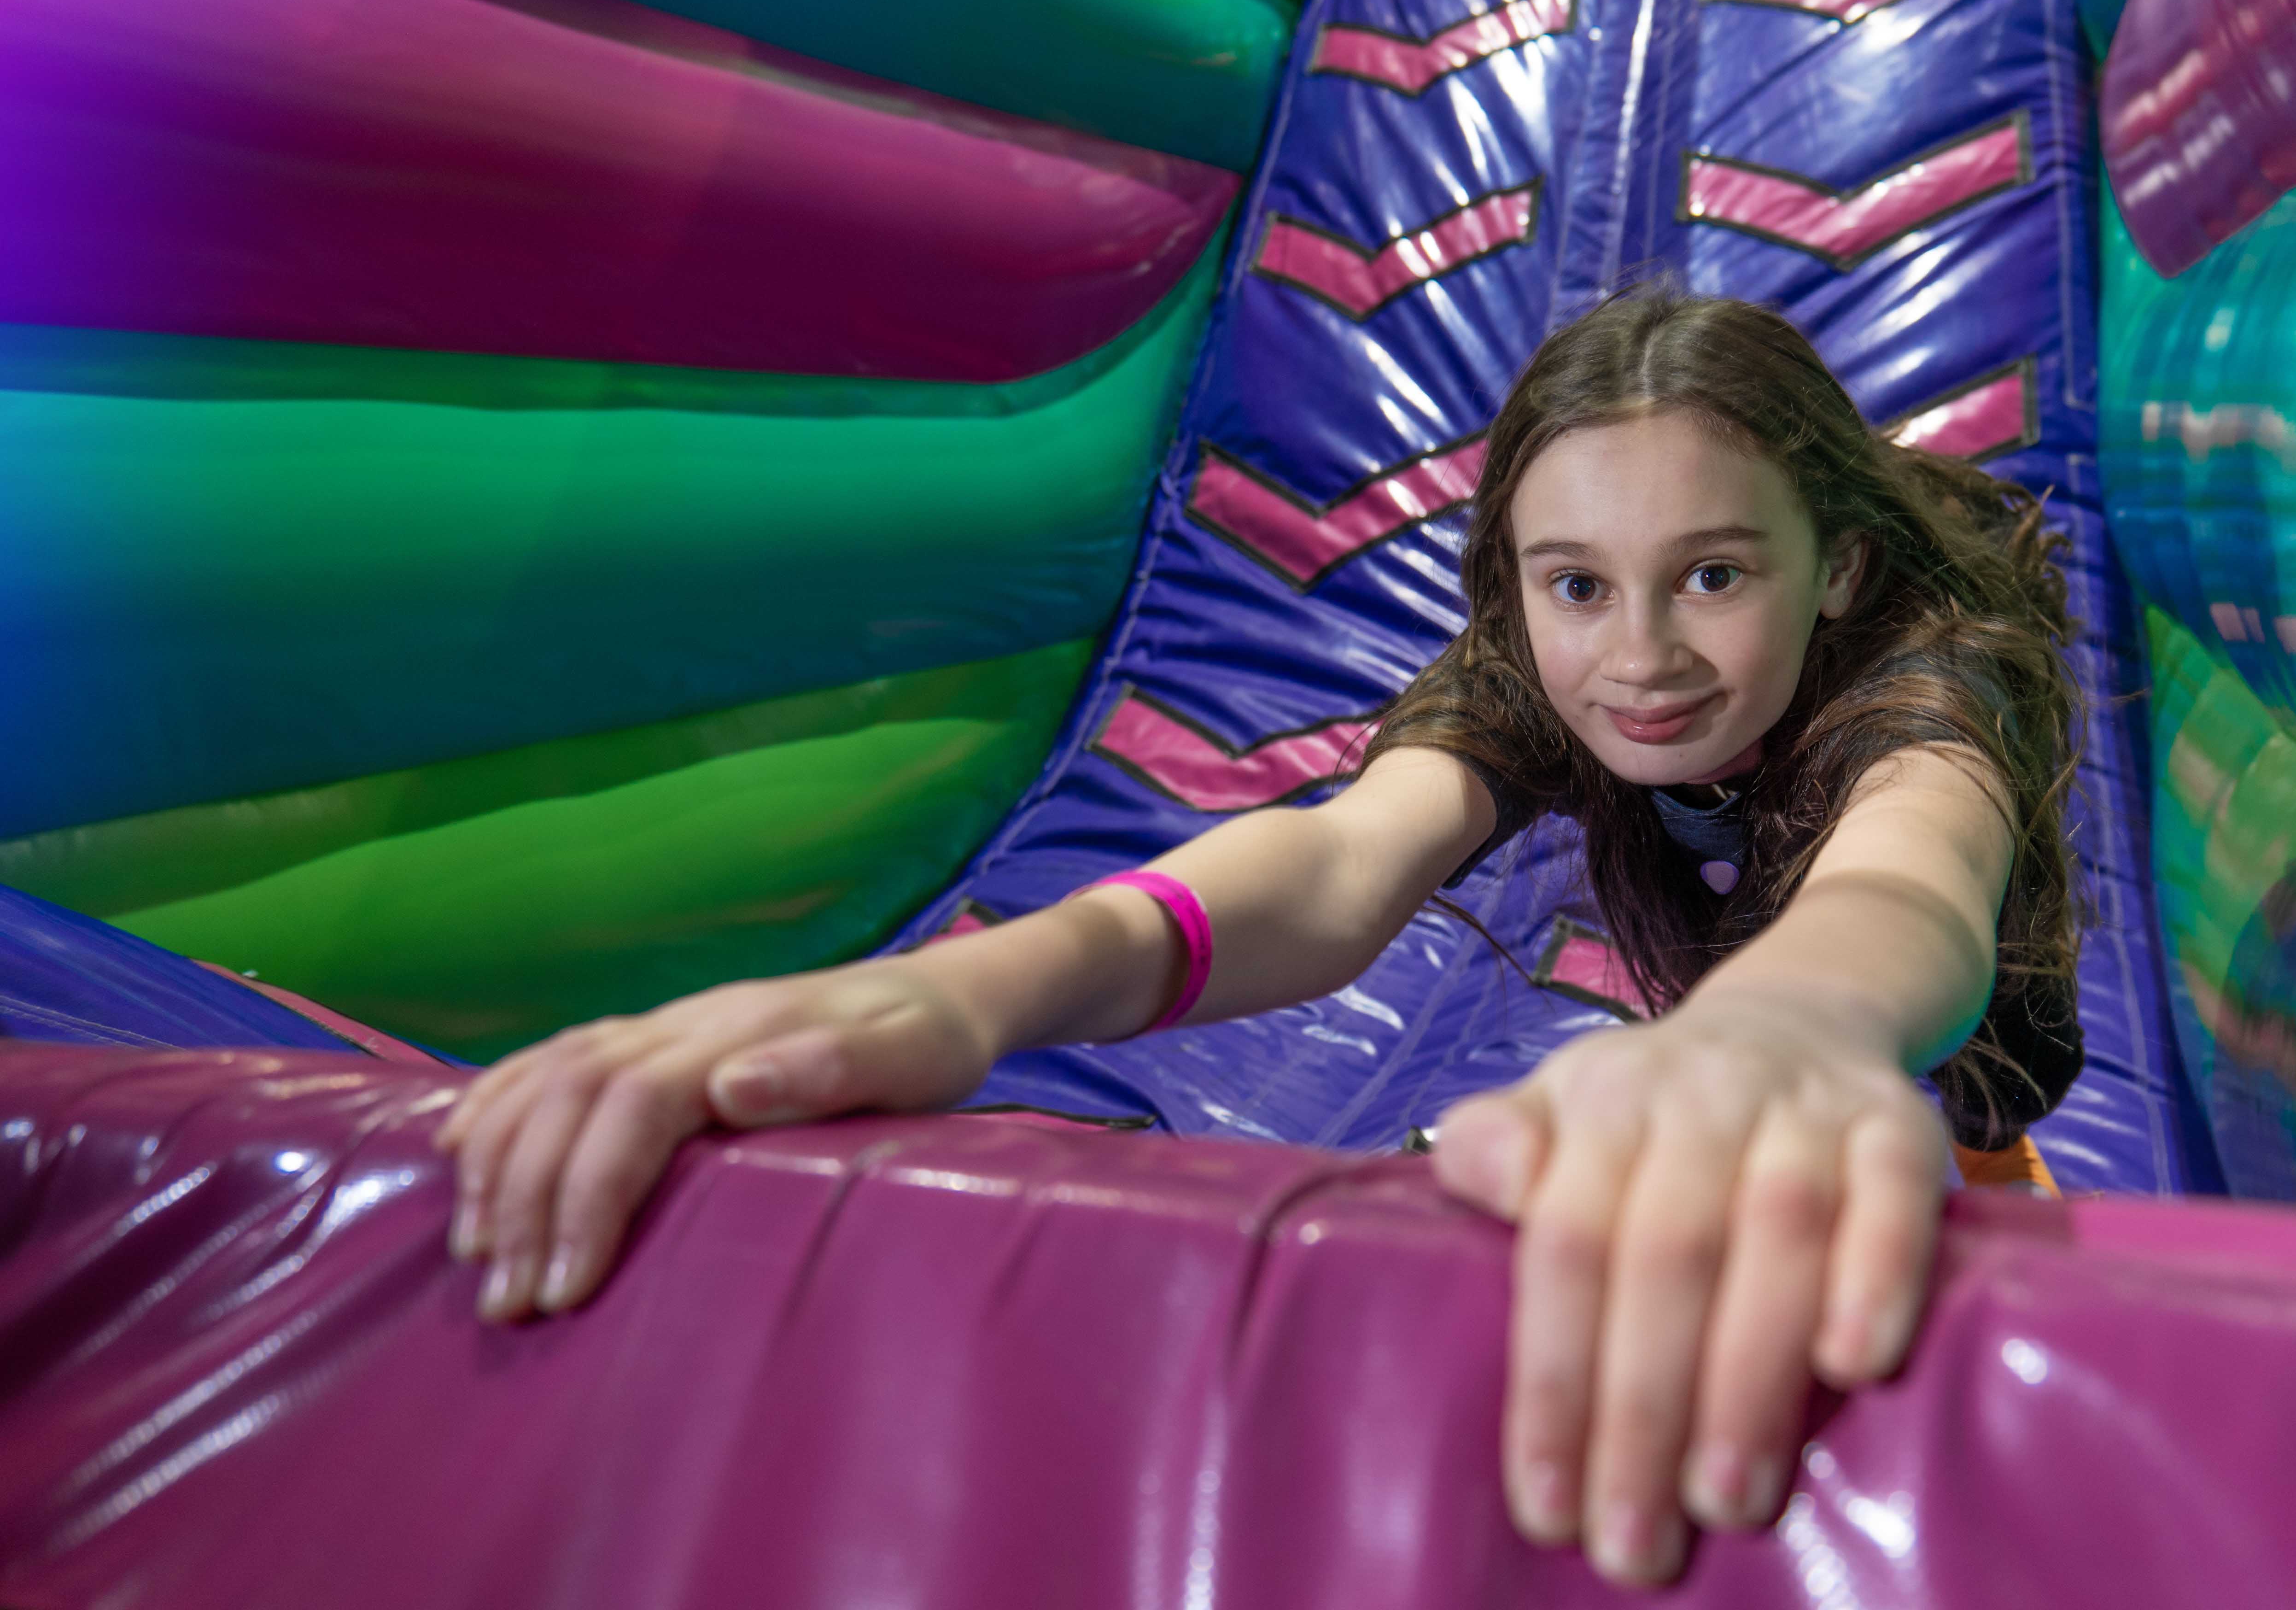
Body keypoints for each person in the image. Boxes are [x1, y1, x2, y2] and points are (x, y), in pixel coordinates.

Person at [435, 283, 2085, 1589]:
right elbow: (1331, 868)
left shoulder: (1933, 691)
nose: (1639, 653)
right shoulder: (1550, 670)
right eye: (1575, 584)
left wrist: (1766, 1037)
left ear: (1838, 563)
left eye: (1713, 575)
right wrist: (958, 992)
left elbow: (1904, 891)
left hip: (1919, 1105)